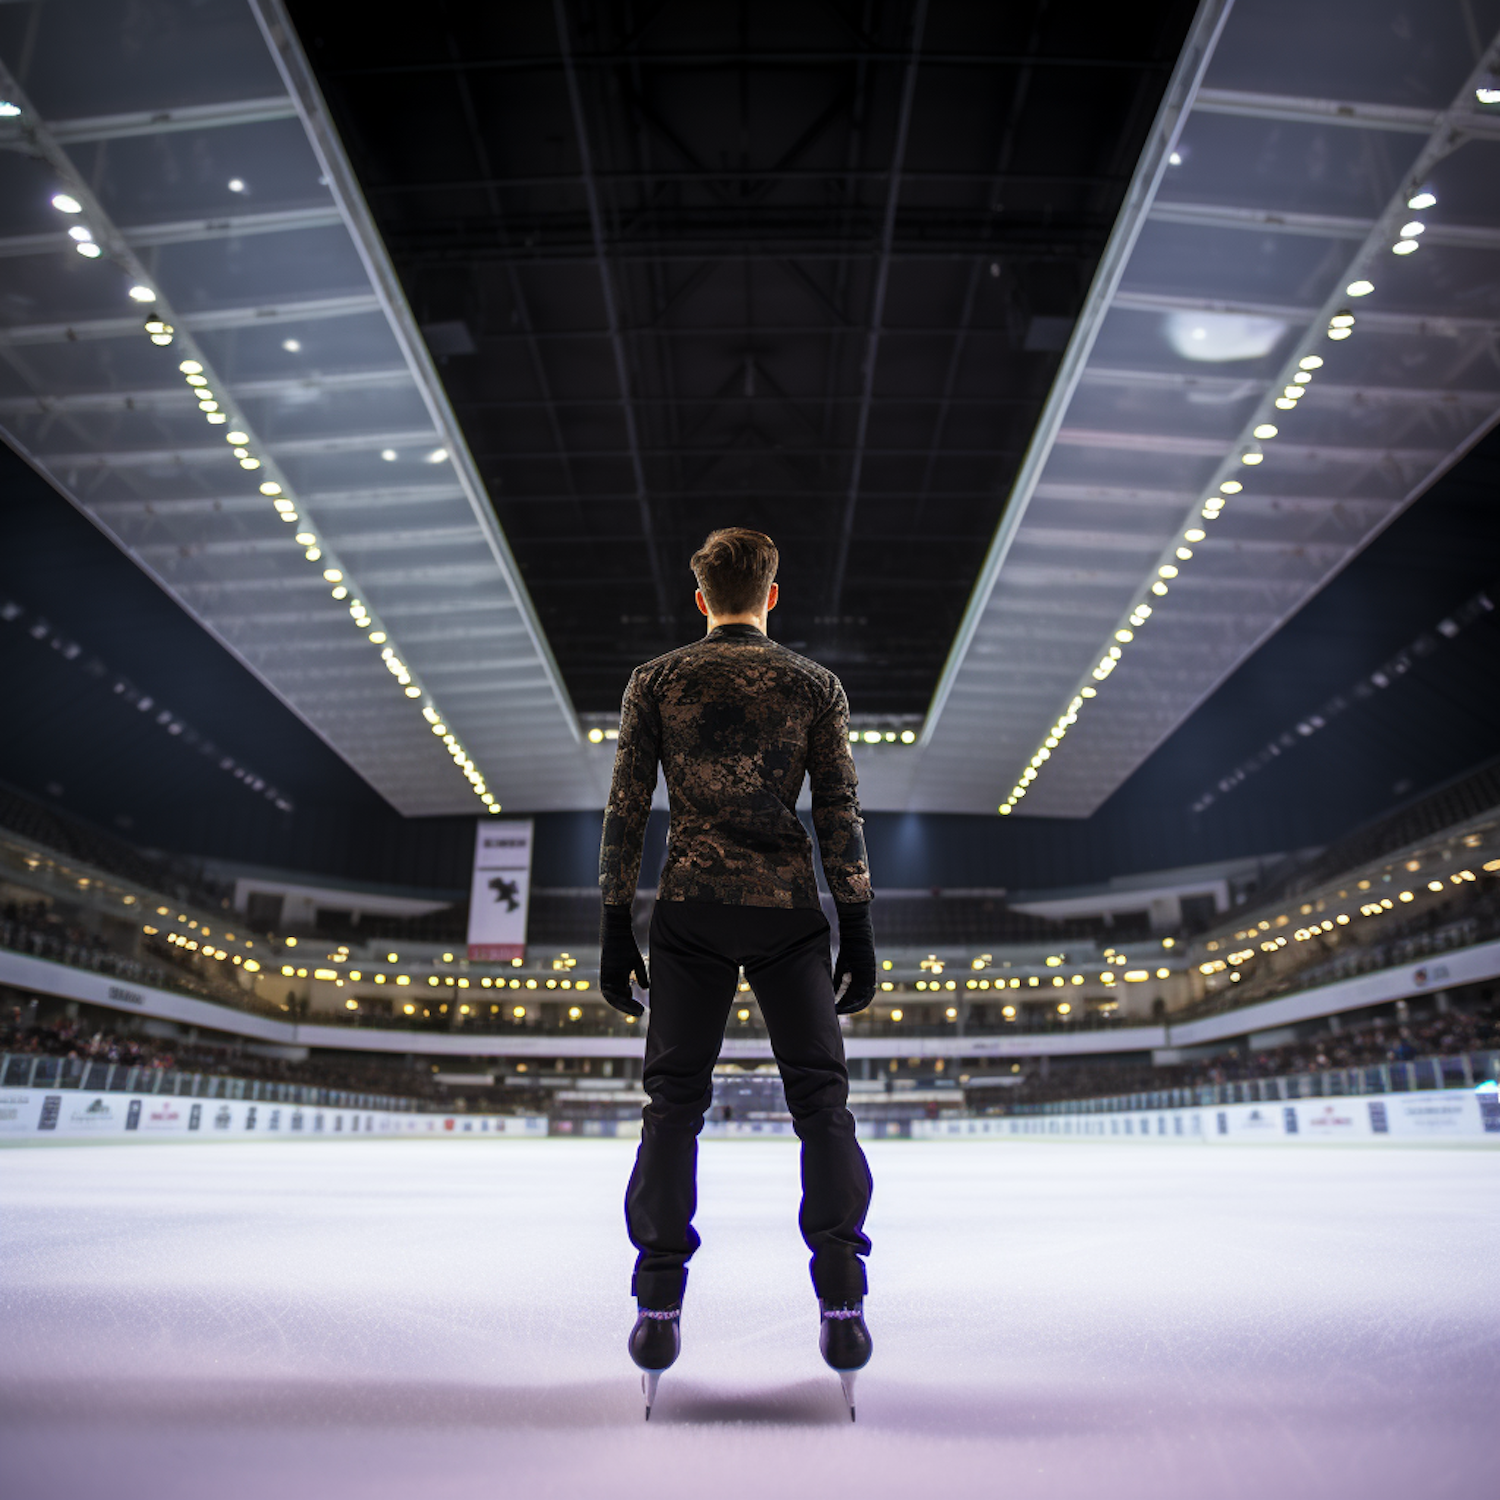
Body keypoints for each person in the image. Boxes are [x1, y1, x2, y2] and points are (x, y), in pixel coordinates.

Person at [598, 527, 878, 1419]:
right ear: (773, 593)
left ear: (700, 597)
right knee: (821, 1104)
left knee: (673, 1103)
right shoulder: (813, 685)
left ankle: (657, 1300)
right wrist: (858, 921)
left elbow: (627, 804)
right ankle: (841, 1295)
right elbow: (837, 804)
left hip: (690, 910)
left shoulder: (657, 680)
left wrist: (613, 919)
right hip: (790, 913)